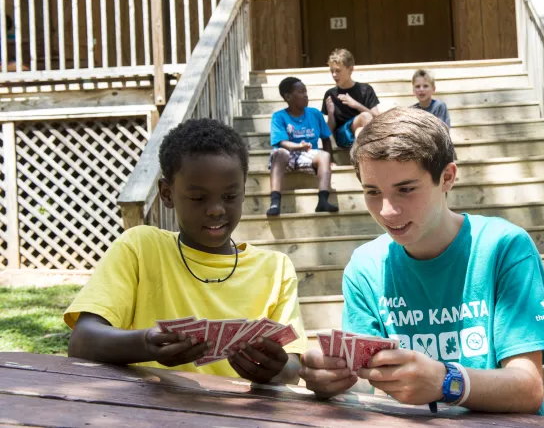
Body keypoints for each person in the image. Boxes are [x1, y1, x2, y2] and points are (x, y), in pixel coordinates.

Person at [298, 107, 544, 415]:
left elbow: (528, 388)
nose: (387, 210)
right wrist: (331, 379)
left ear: (447, 177)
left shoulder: (504, 247)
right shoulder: (365, 267)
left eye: (406, 189)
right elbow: (368, 381)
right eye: (372, 192)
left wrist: (447, 382)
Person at [64, 118, 308, 384]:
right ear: (167, 194)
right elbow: (82, 340)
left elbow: (292, 367)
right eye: (198, 198)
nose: (216, 209)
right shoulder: (140, 248)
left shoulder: (275, 268)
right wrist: (145, 344)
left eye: (230, 196)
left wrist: (276, 370)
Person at [267, 77, 338, 216]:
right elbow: (282, 142)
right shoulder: (279, 116)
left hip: (308, 154)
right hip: (287, 153)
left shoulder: (315, 114)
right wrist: (298, 146)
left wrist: (331, 159)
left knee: (324, 155)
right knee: (279, 153)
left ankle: (323, 200)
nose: (306, 95)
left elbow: (326, 139)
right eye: (300, 92)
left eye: (305, 91)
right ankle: (275, 202)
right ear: (288, 96)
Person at [321, 49, 380, 149]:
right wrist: (331, 114)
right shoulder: (331, 94)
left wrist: (356, 105)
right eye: (332, 71)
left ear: (350, 69)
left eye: (338, 70)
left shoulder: (366, 90)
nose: (334, 75)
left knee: (360, 129)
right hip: (343, 136)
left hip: (363, 134)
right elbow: (329, 130)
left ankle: (363, 153)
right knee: (365, 117)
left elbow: (378, 118)